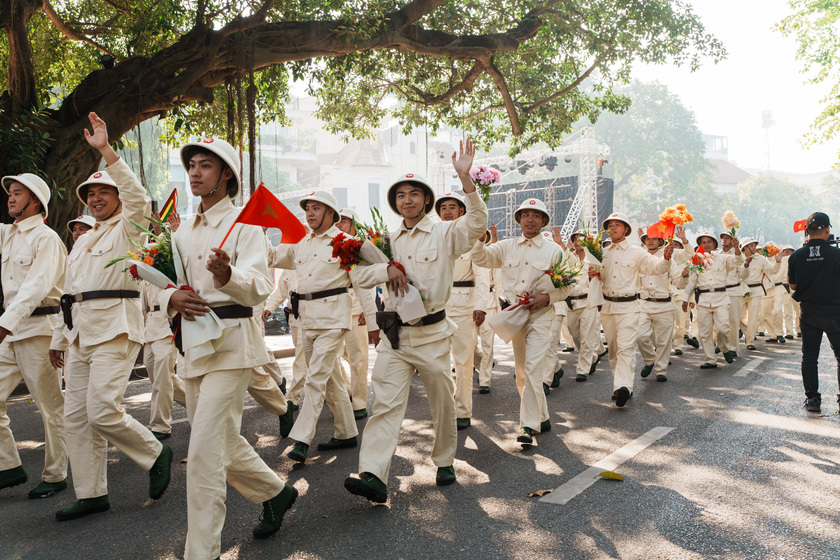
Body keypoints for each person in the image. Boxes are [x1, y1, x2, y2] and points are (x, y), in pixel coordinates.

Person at [163, 136, 295, 558]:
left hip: (233, 347)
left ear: (226, 175)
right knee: (220, 439)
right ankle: (274, 493)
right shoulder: (182, 229)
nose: (196, 172)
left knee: (202, 454)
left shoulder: (245, 224)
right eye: (192, 166)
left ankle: (200, 553)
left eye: (206, 165)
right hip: (194, 347)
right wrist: (169, 298)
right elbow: (165, 284)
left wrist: (227, 274)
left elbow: (258, 288)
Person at [344, 140, 487, 503]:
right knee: (386, 405)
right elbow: (357, 276)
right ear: (395, 203)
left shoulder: (445, 232)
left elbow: (476, 223)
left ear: (426, 200)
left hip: (434, 335)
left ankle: (444, 461)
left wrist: (466, 179)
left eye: (414, 194)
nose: (407, 200)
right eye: (401, 195)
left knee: (442, 403)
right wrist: (384, 267)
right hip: (396, 336)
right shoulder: (386, 240)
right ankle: (374, 474)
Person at [49, 113, 171, 521]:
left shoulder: (129, 228)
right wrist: (58, 340)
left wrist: (105, 151)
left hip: (116, 329)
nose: (96, 199)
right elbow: (67, 295)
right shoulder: (82, 242)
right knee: (76, 416)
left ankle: (156, 453)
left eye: (104, 192)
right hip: (80, 333)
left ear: (117, 198)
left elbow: (141, 200)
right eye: (91, 194)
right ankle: (91, 493)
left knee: (102, 408)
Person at [269, 191, 379, 463]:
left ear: (331, 213)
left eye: (316, 208)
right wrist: (256, 232)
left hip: (333, 319)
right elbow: (272, 256)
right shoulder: (302, 244)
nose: (310, 213)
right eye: (308, 208)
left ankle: (301, 439)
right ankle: (346, 433)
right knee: (331, 379)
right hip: (306, 320)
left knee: (315, 378)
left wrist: (374, 322)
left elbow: (363, 284)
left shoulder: (347, 243)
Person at [472, 198, 573, 443]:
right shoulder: (506, 246)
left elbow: (569, 285)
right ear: (518, 220)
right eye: (525, 214)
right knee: (521, 373)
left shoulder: (554, 250)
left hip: (541, 316)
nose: (530, 219)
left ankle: (527, 426)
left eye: (536, 215)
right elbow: (481, 259)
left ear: (543, 221)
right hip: (514, 316)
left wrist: (547, 297)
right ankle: (543, 416)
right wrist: (480, 238)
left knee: (533, 368)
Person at [0, 173, 68, 500]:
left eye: (17, 193)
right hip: (10, 331)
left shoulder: (47, 239)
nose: (10, 198)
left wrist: (6, 322)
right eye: (10, 194)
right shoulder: (8, 235)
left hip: (40, 330)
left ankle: (56, 475)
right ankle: (7, 466)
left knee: (50, 406)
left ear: (35, 201)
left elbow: (35, 287)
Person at [590, 212, 675, 407]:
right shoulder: (600, 252)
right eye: (609, 225)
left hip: (630, 306)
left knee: (626, 348)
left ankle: (624, 388)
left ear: (626, 229)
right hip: (608, 306)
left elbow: (657, 268)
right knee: (614, 349)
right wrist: (592, 273)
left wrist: (667, 258)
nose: (612, 228)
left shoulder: (637, 252)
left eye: (617, 225)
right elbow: (595, 276)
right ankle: (618, 385)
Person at [435, 192, 489, 429]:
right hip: (436, 307)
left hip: (465, 307)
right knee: (437, 364)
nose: (447, 211)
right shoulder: (433, 237)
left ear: (461, 211)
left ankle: (463, 412)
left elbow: (483, 275)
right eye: (443, 207)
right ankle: (445, 409)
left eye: (452, 207)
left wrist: (480, 306)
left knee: (463, 361)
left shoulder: (471, 237)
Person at [787, 212, 840, 413]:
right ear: (827, 229)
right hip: (835, 312)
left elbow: (793, 284)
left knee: (809, 357)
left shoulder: (796, 255)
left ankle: (812, 400)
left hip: (808, 312)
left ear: (807, 232)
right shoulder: (837, 254)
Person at [335, 207, 377, 420]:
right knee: (333, 356)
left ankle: (359, 402)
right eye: (337, 220)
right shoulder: (332, 246)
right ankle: (348, 390)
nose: (339, 224)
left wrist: (366, 312)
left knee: (359, 357)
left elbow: (368, 281)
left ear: (354, 224)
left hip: (355, 310)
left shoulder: (363, 248)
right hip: (334, 310)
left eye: (343, 220)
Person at [681, 231, 743, 369]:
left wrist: (737, 248)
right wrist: (685, 300)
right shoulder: (696, 260)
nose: (707, 245)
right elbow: (691, 282)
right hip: (703, 300)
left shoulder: (723, 258)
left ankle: (725, 348)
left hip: (720, 299)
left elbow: (738, 261)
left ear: (714, 243)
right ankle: (710, 359)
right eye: (703, 242)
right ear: (700, 245)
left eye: (709, 242)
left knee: (722, 329)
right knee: (705, 332)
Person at [562, 230, 605, 383]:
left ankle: (582, 370)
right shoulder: (571, 260)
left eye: (582, 240)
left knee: (587, 336)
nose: (578, 242)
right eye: (576, 240)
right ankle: (592, 357)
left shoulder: (593, 260)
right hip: (573, 303)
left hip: (589, 302)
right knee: (575, 334)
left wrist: (596, 275)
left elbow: (603, 273)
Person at [738, 237, 778, 351]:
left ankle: (750, 341)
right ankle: (745, 331)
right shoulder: (738, 258)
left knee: (753, 316)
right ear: (744, 248)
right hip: (741, 289)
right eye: (751, 246)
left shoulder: (761, 259)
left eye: (754, 245)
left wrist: (778, 262)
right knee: (737, 317)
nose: (754, 248)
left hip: (756, 290)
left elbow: (772, 271)